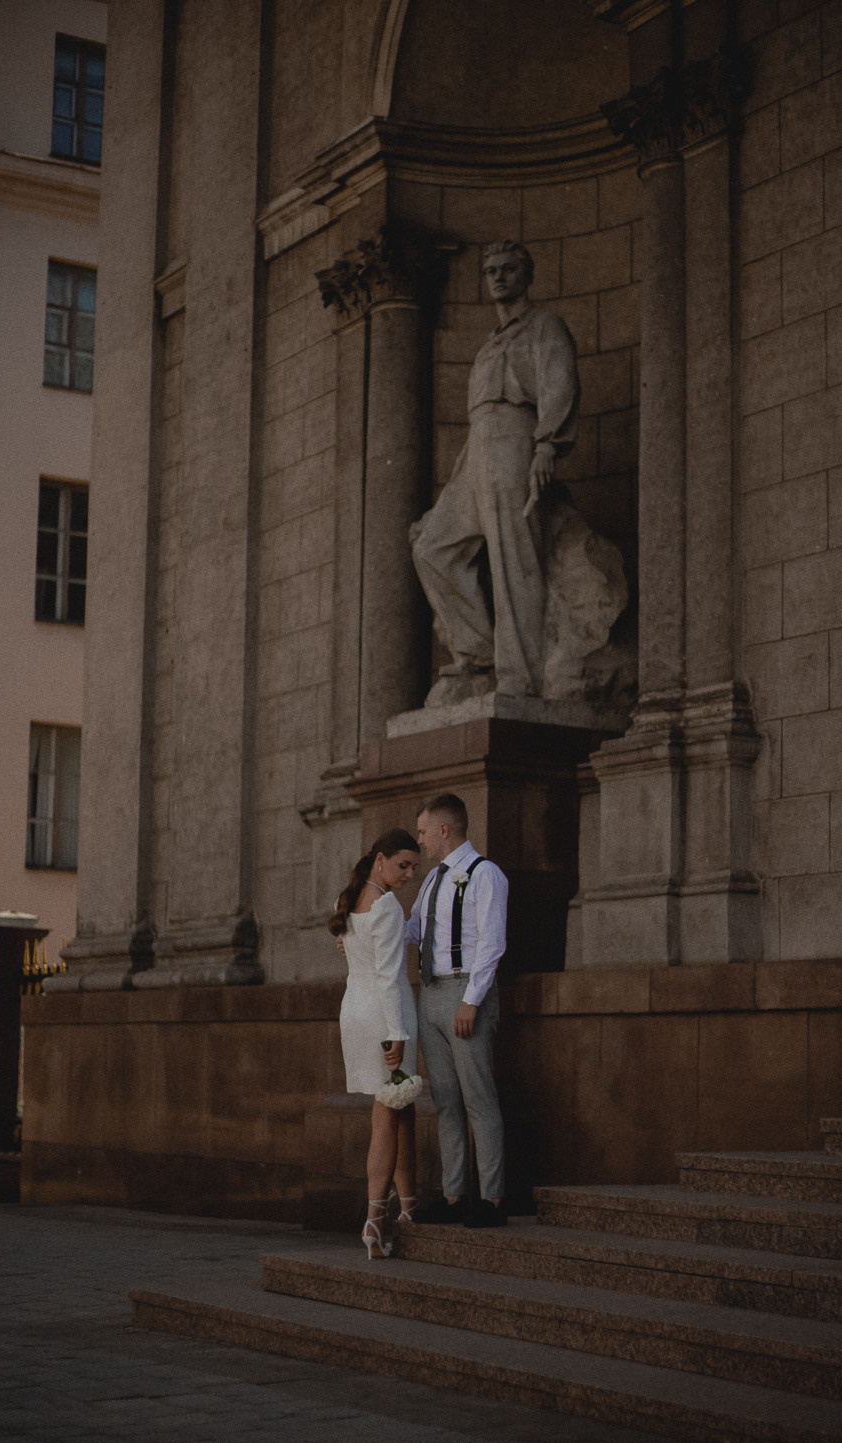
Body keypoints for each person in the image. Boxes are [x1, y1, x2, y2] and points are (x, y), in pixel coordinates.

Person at [411, 240, 580, 703]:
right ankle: (479, 652)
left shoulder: (545, 326)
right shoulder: (489, 345)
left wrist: (547, 446)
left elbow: (559, 385)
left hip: (515, 438)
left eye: (508, 269)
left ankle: (520, 677)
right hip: (478, 447)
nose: (499, 277)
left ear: (527, 275)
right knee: (432, 547)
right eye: (491, 271)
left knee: (513, 557)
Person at [406, 793, 509, 1227]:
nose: (420, 840)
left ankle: (492, 1200)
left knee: (478, 1097)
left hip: (466, 991)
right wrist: (365, 928)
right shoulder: (433, 879)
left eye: (423, 832)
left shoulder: (485, 874)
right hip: (430, 993)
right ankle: (454, 1197)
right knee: (446, 1100)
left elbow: (492, 942)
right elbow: (414, 930)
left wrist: (472, 1000)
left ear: (444, 830)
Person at [329, 829, 421, 1258]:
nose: (409, 875)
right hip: (385, 1018)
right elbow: (388, 977)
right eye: (402, 865)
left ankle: (409, 1207)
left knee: (401, 1109)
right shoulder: (386, 907)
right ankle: (374, 1218)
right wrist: (397, 1034)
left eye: (414, 868)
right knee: (387, 1114)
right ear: (380, 860)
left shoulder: (347, 900)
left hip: (356, 1010)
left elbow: (351, 949)